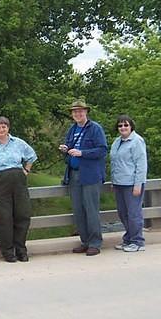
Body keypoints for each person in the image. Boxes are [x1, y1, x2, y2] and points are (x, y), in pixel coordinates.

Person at [0, 116, 37, 263]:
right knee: (4, 218)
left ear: (8, 128)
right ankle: (8, 252)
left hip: (18, 182)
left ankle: (21, 250)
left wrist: (26, 171)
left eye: (4, 126)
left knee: (23, 215)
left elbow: (32, 156)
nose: (1, 129)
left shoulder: (18, 143)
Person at [59, 99, 108, 256]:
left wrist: (82, 153)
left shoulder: (95, 129)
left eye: (80, 111)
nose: (77, 114)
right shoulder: (72, 130)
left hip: (90, 175)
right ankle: (85, 241)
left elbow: (102, 150)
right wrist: (66, 149)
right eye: (75, 112)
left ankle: (95, 243)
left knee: (91, 209)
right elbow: (70, 149)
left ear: (86, 112)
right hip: (74, 174)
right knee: (78, 210)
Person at [110, 115, 148, 252]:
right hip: (119, 183)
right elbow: (114, 163)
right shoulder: (116, 142)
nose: (123, 128)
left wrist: (138, 184)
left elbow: (141, 165)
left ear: (131, 126)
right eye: (120, 125)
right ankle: (128, 239)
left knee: (134, 213)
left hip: (132, 184)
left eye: (126, 125)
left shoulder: (137, 141)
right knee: (123, 213)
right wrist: (114, 181)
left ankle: (138, 242)